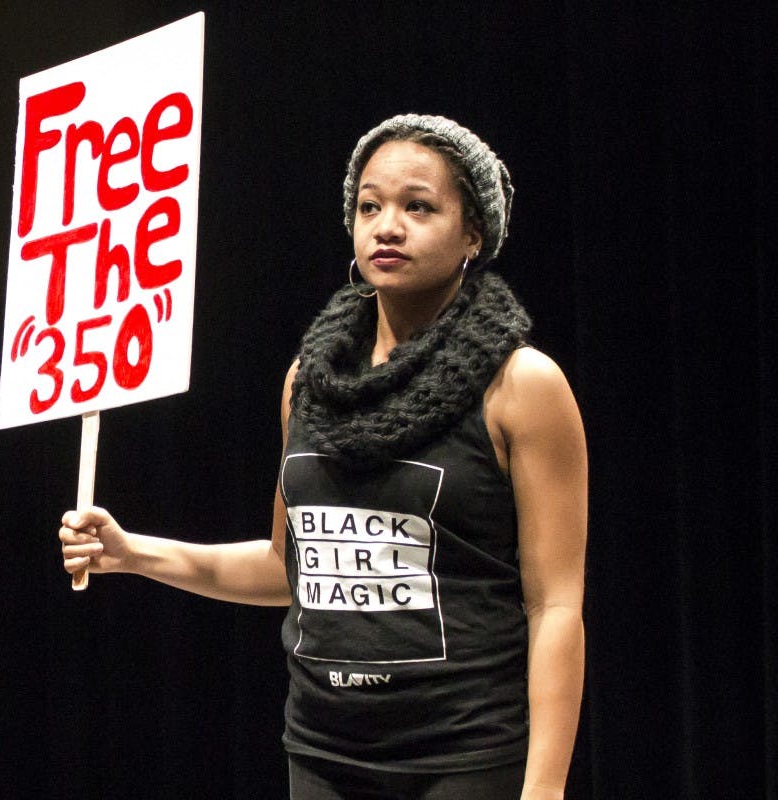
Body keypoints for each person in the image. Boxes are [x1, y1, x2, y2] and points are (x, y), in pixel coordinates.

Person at [59, 114, 587, 800]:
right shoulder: (309, 378)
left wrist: (544, 792)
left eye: (417, 206)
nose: (387, 225)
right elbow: (290, 567)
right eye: (370, 205)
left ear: (473, 234)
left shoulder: (522, 386)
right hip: (323, 751)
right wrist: (131, 553)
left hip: (462, 754)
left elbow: (555, 606)